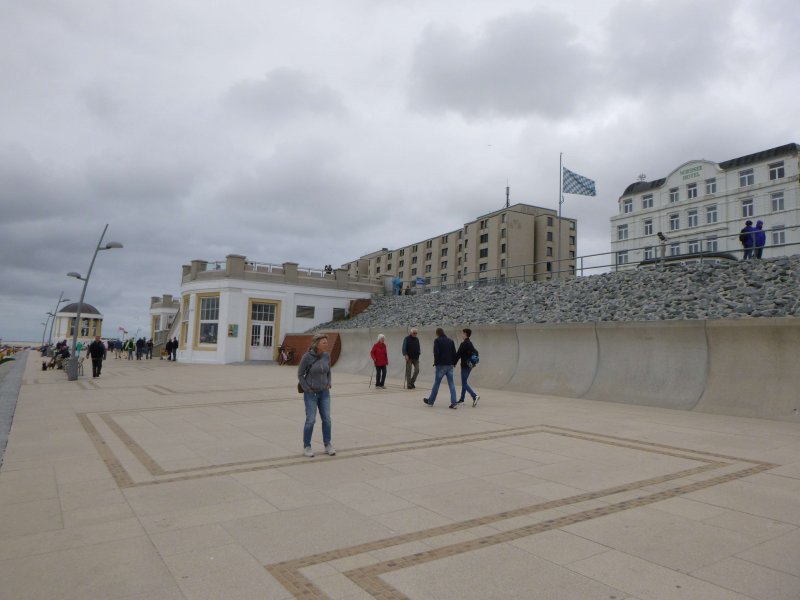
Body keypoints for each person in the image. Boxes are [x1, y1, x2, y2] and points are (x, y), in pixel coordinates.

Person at [297, 333, 335, 458]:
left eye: (326, 342)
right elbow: (300, 374)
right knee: (311, 420)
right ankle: (307, 446)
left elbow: (329, 372)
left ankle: (327, 444)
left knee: (327, 419)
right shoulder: (307, 357)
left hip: (324, 392)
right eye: (324, 342)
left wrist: (329, 383)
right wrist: (307, 388)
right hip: (311, 393)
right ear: (316, 344)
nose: (326, 344)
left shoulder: (326, 356)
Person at [423, 327, 458, 409]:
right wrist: (454, 363)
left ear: (437, 333)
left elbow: (436, 353)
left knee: (437, 384)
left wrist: (436, 363)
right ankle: (454, 402)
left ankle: (431, 401)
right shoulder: (450, 341)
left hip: (441, 365)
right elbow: (454, 353)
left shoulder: (437, 340)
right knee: (451, 384)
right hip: (450, 365)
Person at [455, 328, 480, 407]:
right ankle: (462, 399)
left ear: (465, 334)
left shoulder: (464, 344)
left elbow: (458, 355)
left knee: (464, 383)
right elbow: (476, 352)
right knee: (464, 382)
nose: (461, 335)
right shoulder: (470, 343)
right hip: (470, 366)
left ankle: (474, 396)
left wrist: (453, 363)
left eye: (462, 333)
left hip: (465, 366)